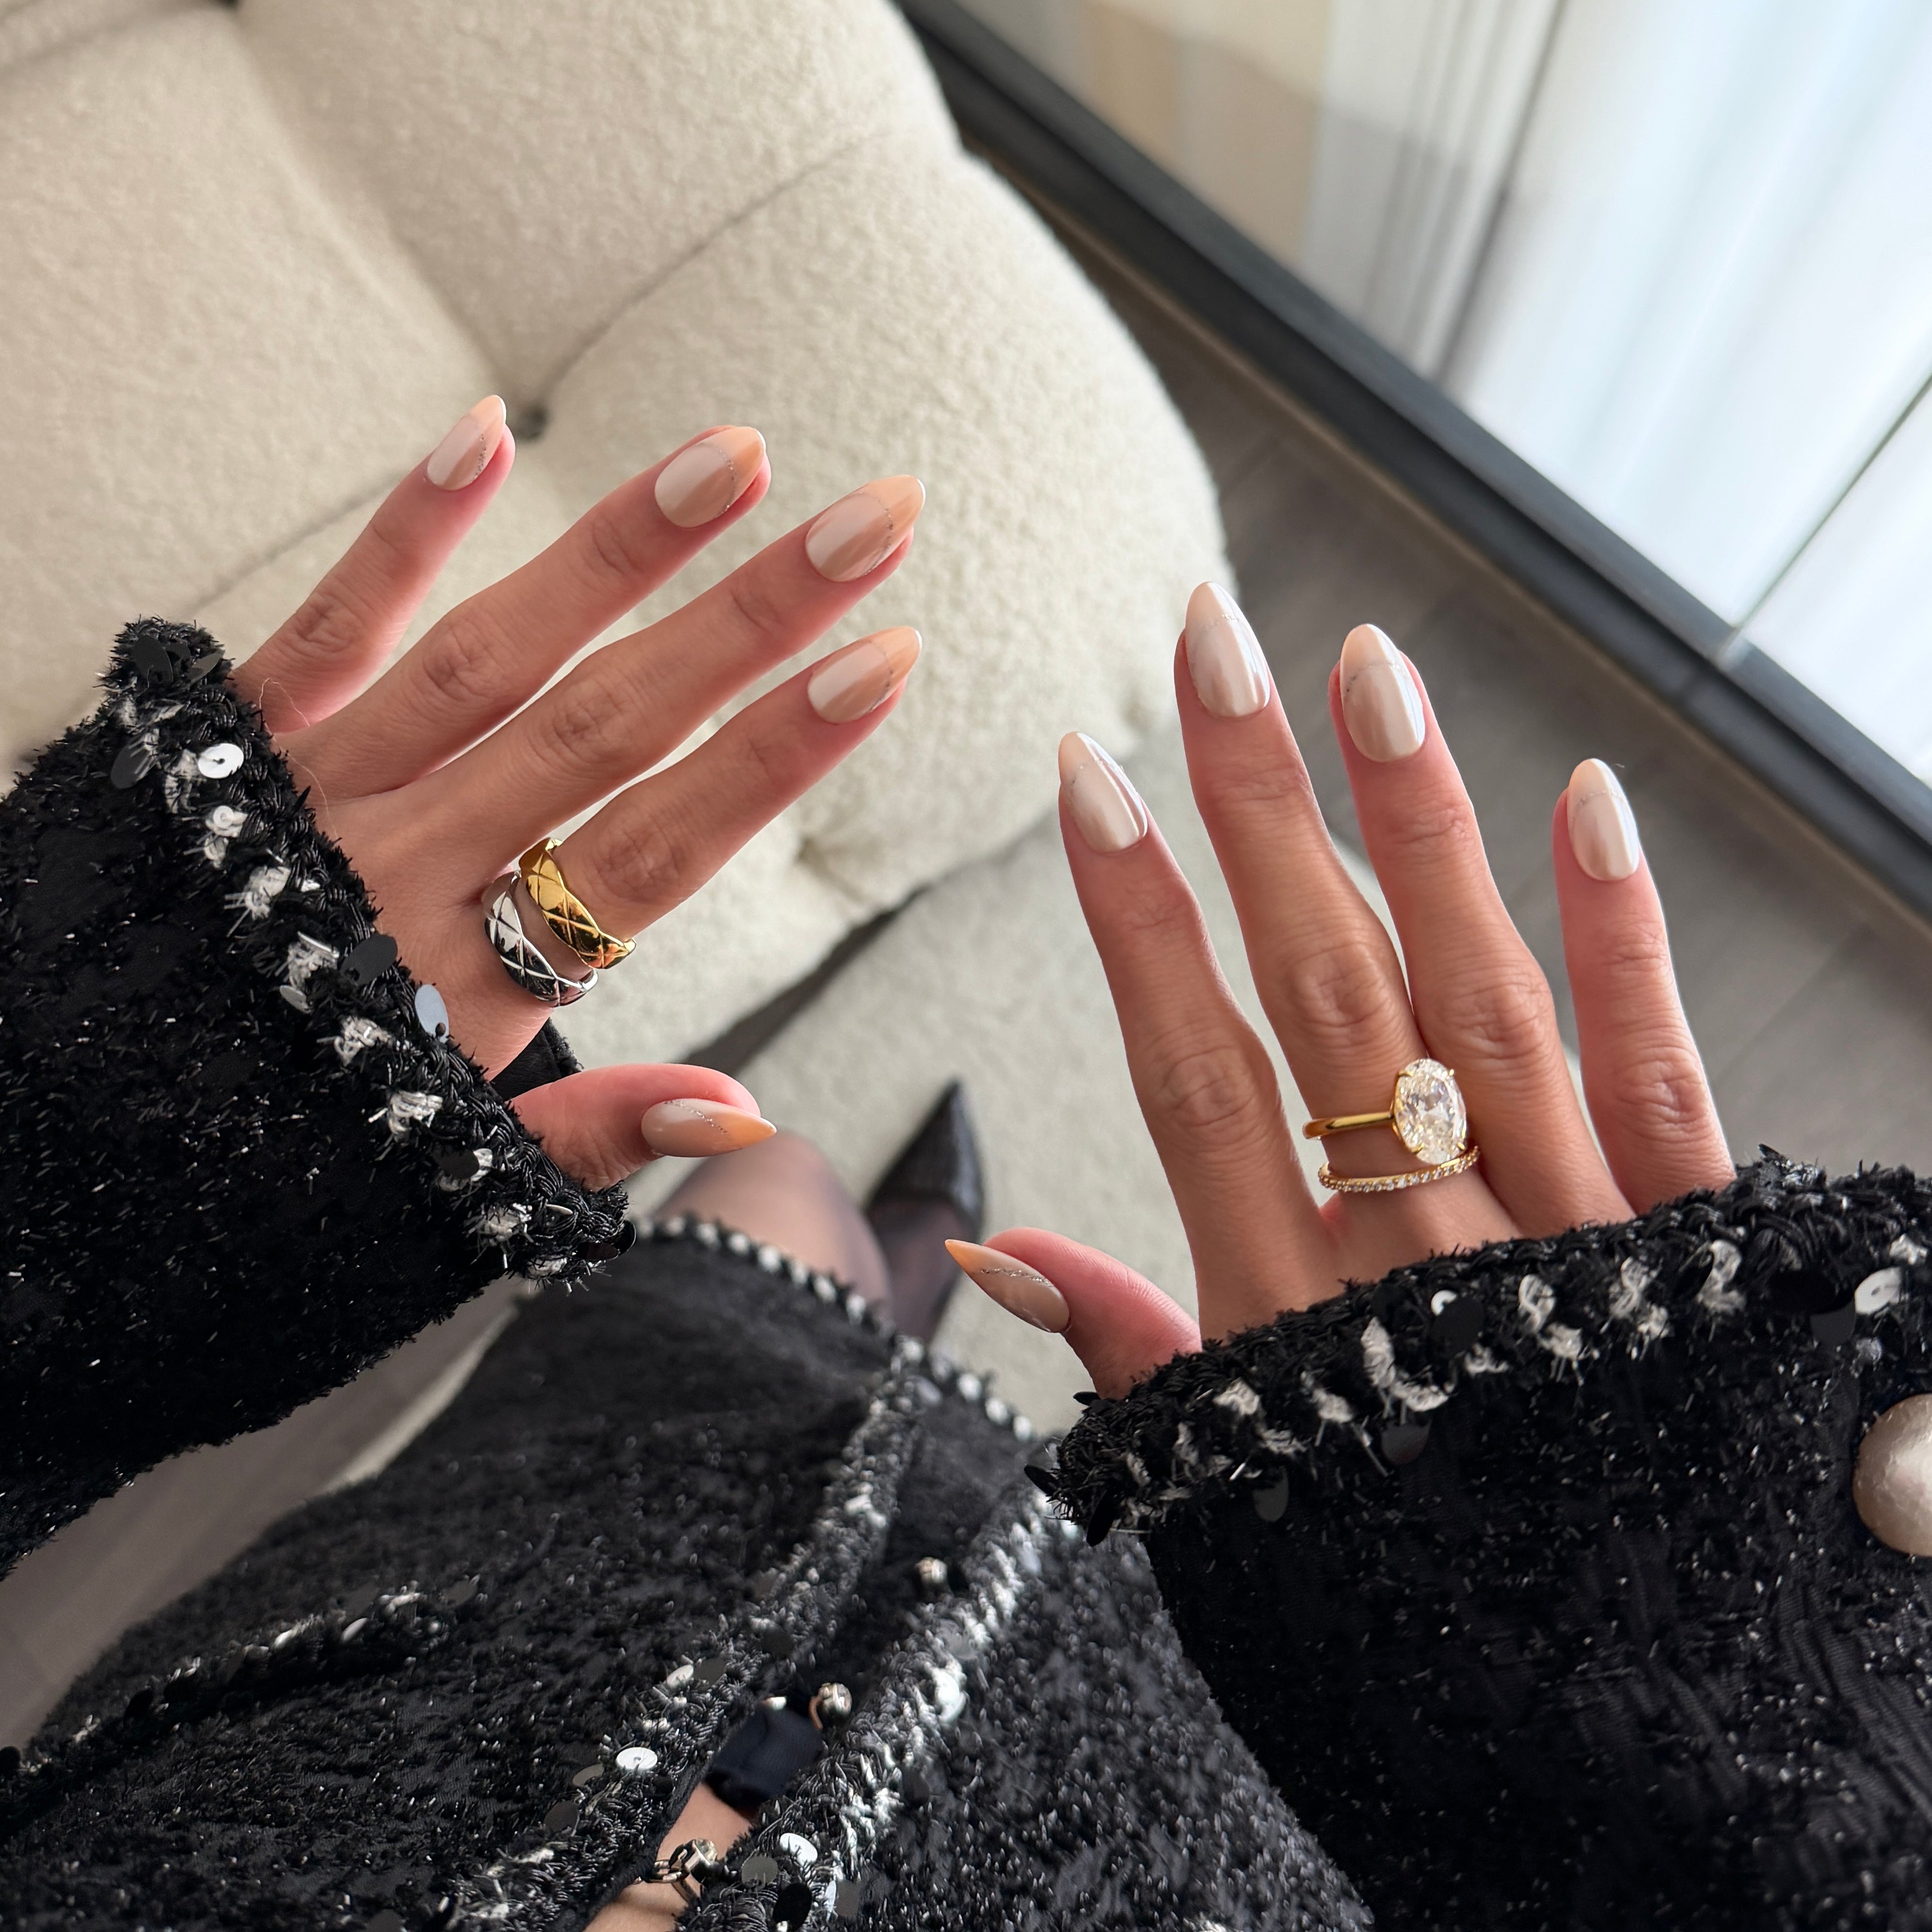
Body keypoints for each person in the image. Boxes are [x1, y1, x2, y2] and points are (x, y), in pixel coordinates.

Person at [1, 400, 1927, 1932]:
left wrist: (45, 1212)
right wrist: (1700, 1809)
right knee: (832, 1264)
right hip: (1154, 1762)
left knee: (759, 1205)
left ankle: (894, 1267)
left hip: (503, 1581)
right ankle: (911, 1271)